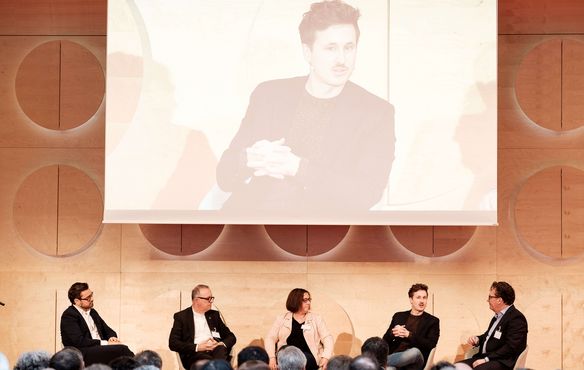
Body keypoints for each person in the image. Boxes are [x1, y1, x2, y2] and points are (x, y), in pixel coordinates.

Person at [216, 0, 395, 214]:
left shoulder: (376, 113)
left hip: (318, 235)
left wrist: (297, 168)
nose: (342, 59)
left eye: (349, 47)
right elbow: (224, 177)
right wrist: (249, 158)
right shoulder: (269, 95)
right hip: (249, 224)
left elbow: (366, 194)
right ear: (308, 53)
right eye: (330, 48)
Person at [454, 281, 528, 370]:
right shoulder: (497, 317)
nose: (487, 300)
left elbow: (510, 347)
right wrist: (478, 339)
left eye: (490, 297)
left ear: (499, 300)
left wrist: (486, 359)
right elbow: (489, 336)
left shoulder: (516, 318)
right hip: (487, 358)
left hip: (503, 362)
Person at [60, 282, 134, 366]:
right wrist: (106, 343)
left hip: (97, 349)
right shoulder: (69, 315)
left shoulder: (92, 312)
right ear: (77, 301)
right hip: (81, 352)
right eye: (88, 298)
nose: (92, 299)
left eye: (91, 295)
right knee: (122, 350)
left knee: (120, 354)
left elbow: (108, 330)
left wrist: (112, 338)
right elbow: (78, 341)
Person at [169, 284, 236, 370]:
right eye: (208, 299)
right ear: (197, 300)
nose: (211, 301)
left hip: (216, 351)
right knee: (212, 362)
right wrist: (198, 347)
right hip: (195, 353)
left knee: (221, 349)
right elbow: (173, 343)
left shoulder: (214, 315)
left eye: (212, 298)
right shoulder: (182, 317)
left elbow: (231, 337)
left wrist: (219, 344)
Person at [265, 289, 333, 370]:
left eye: (309, 300)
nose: (309, 303)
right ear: (295, 301)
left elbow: (327, 338)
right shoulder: (281, 319)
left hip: (309, 360)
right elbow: (270, 338)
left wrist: (325, 357)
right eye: (305, 300)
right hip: (287, 359)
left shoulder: (317, 319)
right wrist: (272, 358)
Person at [382, 283, 440, 370]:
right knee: (390, 369)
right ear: (411, 300)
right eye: (418, 297)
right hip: (396, 357)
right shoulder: (399, 316)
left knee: (414, 352)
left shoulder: (432, 321)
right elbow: (385, 340)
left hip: (416, 360)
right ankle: (380, 363)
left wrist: (409, 335)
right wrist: (393, 332)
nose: (422, 301)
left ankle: (375, 362)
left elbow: (431, 344)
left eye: (424, 298)